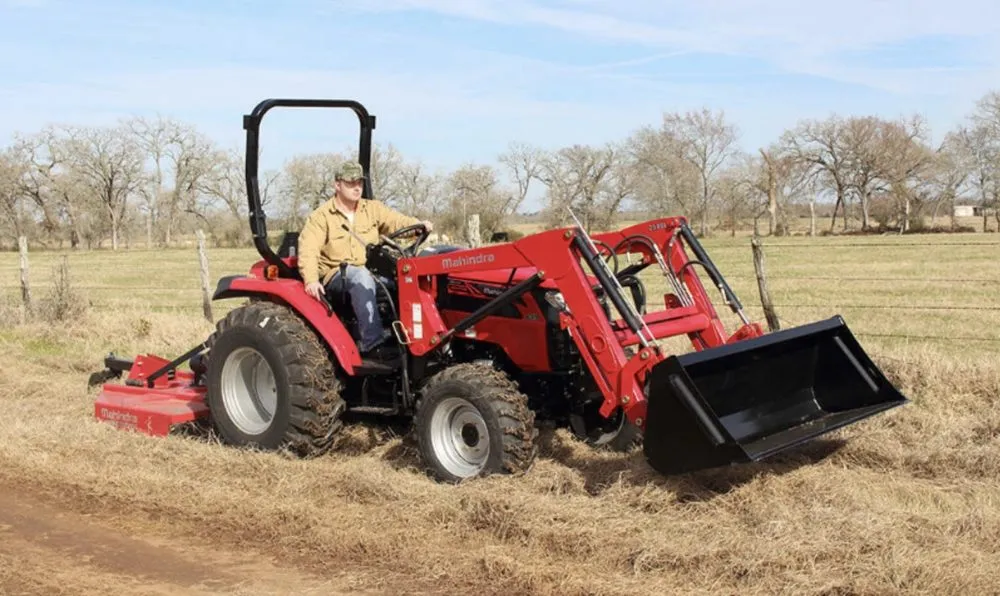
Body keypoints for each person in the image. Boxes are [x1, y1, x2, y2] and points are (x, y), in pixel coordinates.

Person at [297, 160, 433, 359]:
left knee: (406, 279)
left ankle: (411, 338)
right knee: (361, 277)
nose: (356, 187)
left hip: (370, 271)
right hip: (337, 275)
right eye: (351, 183)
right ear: (337, 185)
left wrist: (418, 225)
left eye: (359, 182)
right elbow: (308, 250)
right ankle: (373, 345)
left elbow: (397, 222)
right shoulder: (322, 216)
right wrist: (311, 280)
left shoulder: (372, 209)